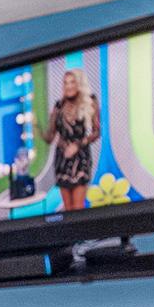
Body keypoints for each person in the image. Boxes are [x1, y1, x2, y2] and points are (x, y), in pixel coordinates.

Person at [43, 68, 100, 210]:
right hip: (62, 160)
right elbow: (50, 137)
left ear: (79, 83)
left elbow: (96, 132)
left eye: (72, 82)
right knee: (67, 210)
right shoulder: (59, 106)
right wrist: (37, 126)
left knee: (78, 208)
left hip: (81, 158)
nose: (68, 86)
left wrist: (77, 145)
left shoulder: (90, 101)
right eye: (65, 83)